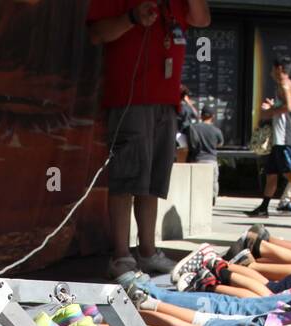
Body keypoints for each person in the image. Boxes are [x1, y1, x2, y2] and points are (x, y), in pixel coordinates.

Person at [88, 1, 212, 280]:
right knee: (125, 178)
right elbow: (96, 33)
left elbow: (202, 19)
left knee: (153, 183)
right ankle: (121, 255)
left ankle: (147, 251)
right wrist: (131, 18)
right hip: (130, 99)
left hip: (166, 102)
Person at [248, 58, 291, 217]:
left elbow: (288, 107)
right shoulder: (287, 85)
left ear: (279, 68)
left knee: (290, 173)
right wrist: (273, 107)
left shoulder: (285, 85)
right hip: (278, 138)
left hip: (284, 137)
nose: (271, 72)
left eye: (273, 69)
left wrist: (269, 111)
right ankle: (264, 207)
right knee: (271, 174)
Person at [186, 108, 225, 206]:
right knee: (213, 181)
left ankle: (196, 200)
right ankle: (212, 199)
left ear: (201, 115)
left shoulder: (193, 127)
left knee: (197, 183)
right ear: (213, 116)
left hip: (197, 159)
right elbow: (220, 144)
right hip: (211, 160)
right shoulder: (216, 130)